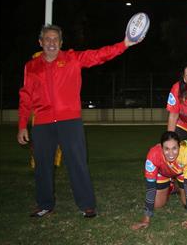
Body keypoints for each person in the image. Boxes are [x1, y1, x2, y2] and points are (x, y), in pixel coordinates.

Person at [17, 24, 142, 218]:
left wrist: (125, 43)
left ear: (61, 43)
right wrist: (22, 125)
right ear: (40, 42)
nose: (51, 43)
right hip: (42, 122)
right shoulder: (31, 67)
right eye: (47, 39)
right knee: (42, 165)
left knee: (77, 163)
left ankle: (86, 205)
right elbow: (26, 97)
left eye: (55, 39)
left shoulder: (72, 59)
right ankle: (45, 204)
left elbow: (100, 55)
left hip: (70, 121)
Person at [132, 131, 187, 230]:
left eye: (174, 148)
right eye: (166, 149)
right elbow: (150, 188)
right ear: (161, 148)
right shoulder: (153, 154)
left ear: (179, 146)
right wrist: (146, 219)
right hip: (163, 173)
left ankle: (177, 187)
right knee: (157, 205)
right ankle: (171, 186)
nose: (171, 153)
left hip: (180, 173)